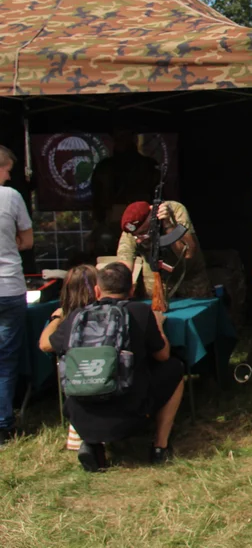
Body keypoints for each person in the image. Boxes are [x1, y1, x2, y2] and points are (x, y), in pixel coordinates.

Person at [43, 262, 186, 472]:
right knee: (174, 367)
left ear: (97, 290)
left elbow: (45, 344)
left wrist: (56, 318)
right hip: (131, 415)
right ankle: (160, 446)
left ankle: (92, 443)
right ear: (131, 290)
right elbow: (163, 355)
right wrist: (159, 326)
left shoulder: (77, 317)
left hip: (81, 414)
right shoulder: (139, 311)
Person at [38, 264, 98, 451]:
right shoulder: (110, 312)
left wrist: (57, 318)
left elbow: (45, 344)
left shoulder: (70, 320)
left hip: (78, 383)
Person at [116, 199, 214, 302]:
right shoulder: (132, 229)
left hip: (190, 279)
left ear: (152, 218)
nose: (139, 240)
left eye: (144, 233)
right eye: (136, 236)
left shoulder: (174, 211)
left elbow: (188, 253)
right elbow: (124, 268)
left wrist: (168, 225)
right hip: (157, 284)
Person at [0, 145, 32, 447]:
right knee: (6, 359)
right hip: (8, 286)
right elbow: (27, 240)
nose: (10, 176)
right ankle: (3, 424)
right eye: (8, 169)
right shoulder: (11, 197)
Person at [90, 129, 160, 254]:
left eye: (124, 137)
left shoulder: (148, 166)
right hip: (111, 224)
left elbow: (157, 196)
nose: (121, 141)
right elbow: (97, 199)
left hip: (144, 221)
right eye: (118, 138)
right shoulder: (104, 167)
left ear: (133, 139)